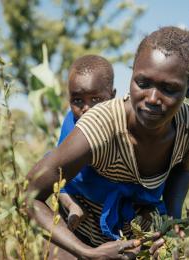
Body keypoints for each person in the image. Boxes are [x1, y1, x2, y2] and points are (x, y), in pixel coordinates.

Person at [27, 26, 189, 259]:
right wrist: (86, 252)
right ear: (132, 75)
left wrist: (171, 225)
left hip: (134, 243)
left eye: (169, 89)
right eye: (143, 83)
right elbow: (27, 195)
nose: (152, 99)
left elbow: (182, 169)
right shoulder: (100, 125)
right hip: (76, 238)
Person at [57, 54, 116, 231]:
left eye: (96, 100)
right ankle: (73, 207)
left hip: (110, 188)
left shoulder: (119, 123)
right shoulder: (71, 122)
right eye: (77, 101)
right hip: (78, 185)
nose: (86, 108)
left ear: (112, 96)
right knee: (54, 178)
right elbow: (61, 160)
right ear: (69, 99)